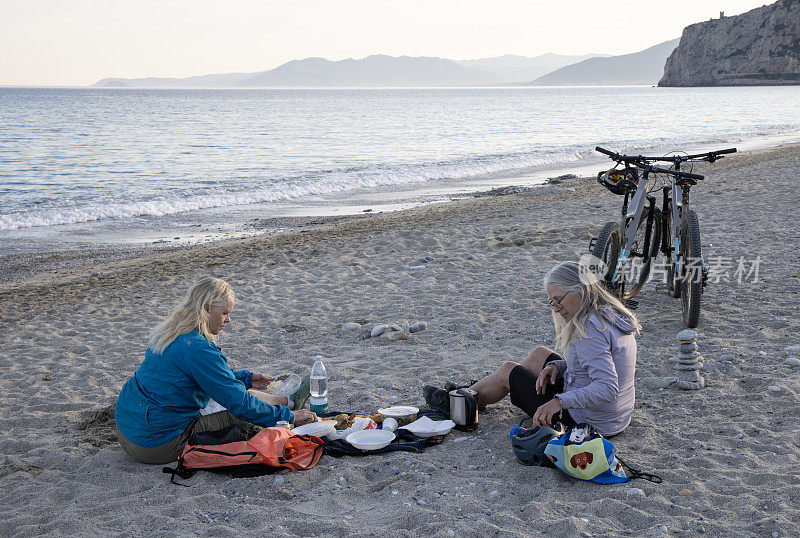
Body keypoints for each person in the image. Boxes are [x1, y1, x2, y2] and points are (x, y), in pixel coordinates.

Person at [424, 260, 640, 437]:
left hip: (587, 422)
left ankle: (460, 401)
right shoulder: (608, 313)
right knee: (539, 355)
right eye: (552, 303)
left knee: (509, 370)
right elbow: (598, 363)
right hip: (614, 417)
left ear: (580, 291)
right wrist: (559, 366)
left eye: (558, 300)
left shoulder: (589, 330)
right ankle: (474, 391)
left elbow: (607, 388)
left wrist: (558, 401)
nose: (555, 309)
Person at [115, 276, 317, 464]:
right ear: (206, 308)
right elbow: (240, 404)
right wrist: (289, 418)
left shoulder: (170, 333)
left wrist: (246, 378)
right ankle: (290, 409)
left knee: (234, 390)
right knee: (237, 407)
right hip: (158, 445)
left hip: (128, 431)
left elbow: (194, 376)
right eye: (224, 313)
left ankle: (289, 401)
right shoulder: (198, 348)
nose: (228, 320)